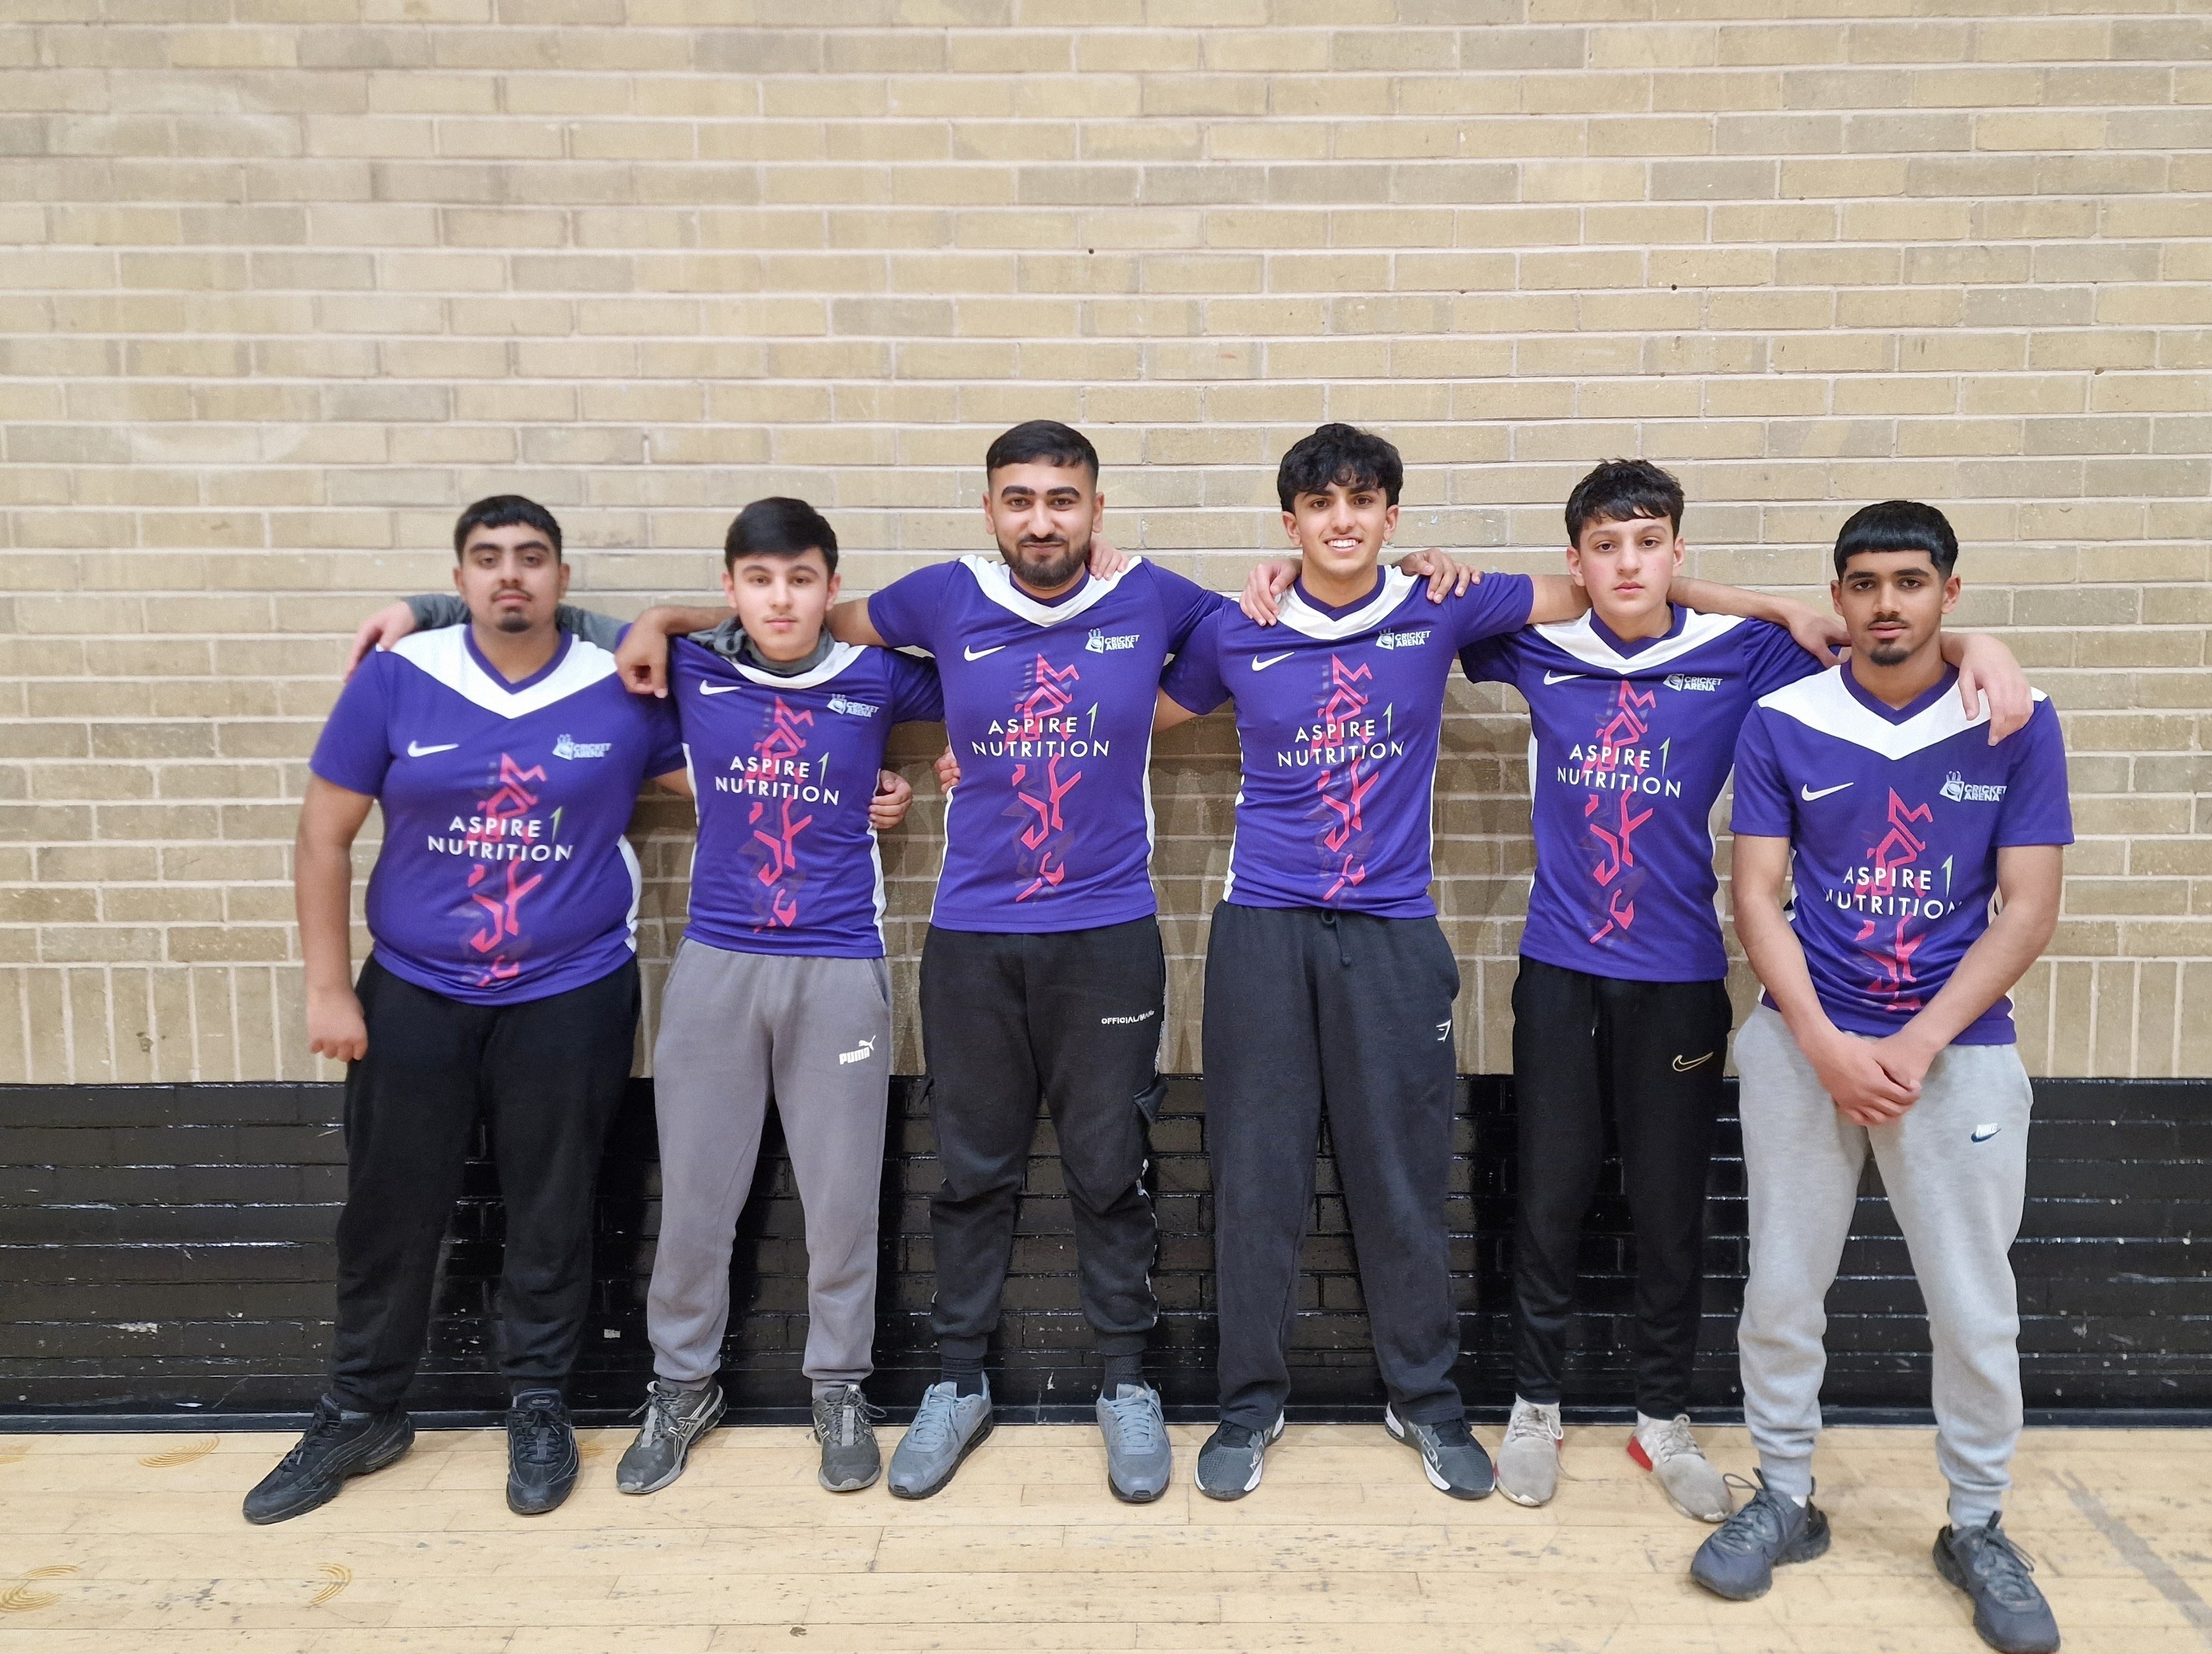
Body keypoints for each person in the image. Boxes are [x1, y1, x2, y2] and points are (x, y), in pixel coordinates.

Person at [615, 422, 1222, 1505]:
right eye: (1019, 498)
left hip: (1107, 932)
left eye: (1063, 499)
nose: (1041, 518)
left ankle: (1126, 1383)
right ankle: (957, 1382)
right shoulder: (940, 596)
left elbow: (1263, 633)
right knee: (973, 1172)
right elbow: (815, 623)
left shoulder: (1155, 598)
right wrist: (661, 619)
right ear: (989, 510)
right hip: (971, 935)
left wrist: (1145, 714)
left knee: (1107, 1168)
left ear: (1096, 509)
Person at [1455, 460, 2029, 1521]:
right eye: (1605, 548)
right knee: (1549, 1193)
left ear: (1678, 552)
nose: (1628, 565)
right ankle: (1534, 1407)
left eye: (1649, 544)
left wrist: (1978, 645)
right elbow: (1427, 615)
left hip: (1678, 971)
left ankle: (1661, 1419)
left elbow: (1883, 643)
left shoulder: (1741, 651)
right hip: (1559, 966)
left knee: (1669, 1207)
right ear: (1577, 560)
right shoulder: (1544, 647)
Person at [368, 505, 925, 1497]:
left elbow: (997, 667)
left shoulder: (875, 677)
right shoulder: (694, 667)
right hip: (715, 960)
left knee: (843, 1201)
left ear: (830, 587)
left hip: (839, 961)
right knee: (697, 1199)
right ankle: (681, 1387)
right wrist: (422, 608)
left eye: (800, 579)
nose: (780, 600)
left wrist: (929, 773)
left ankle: (839, 1387)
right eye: (759, 580)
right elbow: (551, 623)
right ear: (731, 587)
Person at [1159, 424, 1583, 1502]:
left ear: (1391, 517)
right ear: (1289, 520)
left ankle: (1425, 1400)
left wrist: (1784, 615)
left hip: (1392, 931)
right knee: (1256, 1177)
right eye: (1320, 504)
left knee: (1400, 1177)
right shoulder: (1236, 625)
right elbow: (1129, 707)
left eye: (1361, 502)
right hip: (1263, 927)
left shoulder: (1438, 605)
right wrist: (983, 751)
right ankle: (1248, 1405)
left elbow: (1608, 590)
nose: (1341, 521)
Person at [247, 496, 687, 1525]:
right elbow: (321, 837)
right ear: (460, 581)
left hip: (570, 988)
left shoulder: (623, 683)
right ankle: (363, 1409)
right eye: (488, 559)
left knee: (553, 1206)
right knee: (388, 1210)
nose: (510, 575)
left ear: (562, 581)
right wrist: (328, 987)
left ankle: (538, 1402)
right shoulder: (399, 678)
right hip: (414, 988)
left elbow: (744, 768)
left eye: (531, 558)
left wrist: (857, 793)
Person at [1691, 500, 2071, 1654]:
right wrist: (1819, 1040)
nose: (1886, 604)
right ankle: (1783, 1495)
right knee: (1779, 1290)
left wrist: (1914, 1045)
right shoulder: (1783, 719)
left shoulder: (2013, 718)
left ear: (1948, 593)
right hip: (1805, 1047)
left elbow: (2027, 909)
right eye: (1863, 584)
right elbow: (1755, 896)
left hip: (1957, 1056)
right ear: (1839, 598)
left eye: (1910, 582)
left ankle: (1976, 1524)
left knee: (1972, 1307)